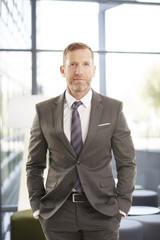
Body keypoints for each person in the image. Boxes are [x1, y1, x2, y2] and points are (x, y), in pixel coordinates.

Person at [26, 42, 136, 240]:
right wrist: (36, 206)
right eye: (73, 65)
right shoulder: (43, 111)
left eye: (85, 64)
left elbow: (127, 162)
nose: (79, 71)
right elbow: (34, 165)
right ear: (63, 70)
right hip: (58, 212)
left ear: (93, 70)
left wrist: (122, 206)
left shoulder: (113, 109)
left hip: (102, 212)